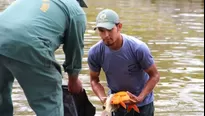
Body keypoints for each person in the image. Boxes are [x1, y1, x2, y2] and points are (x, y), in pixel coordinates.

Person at [0, 0, 87, 116]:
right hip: (28, 43)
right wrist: (73, 78)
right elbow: (75, 47)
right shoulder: (76, 11)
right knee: (49, 102)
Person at [88, 9, 160, 116]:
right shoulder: (95, 52)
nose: (106, 35)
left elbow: (155, 76)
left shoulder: (138, 48)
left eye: (110, 30)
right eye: (102, 30)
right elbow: (94, 80)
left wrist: (140, 98)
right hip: (116, 105)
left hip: (143, 105)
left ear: (119, 27)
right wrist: (104, 99)